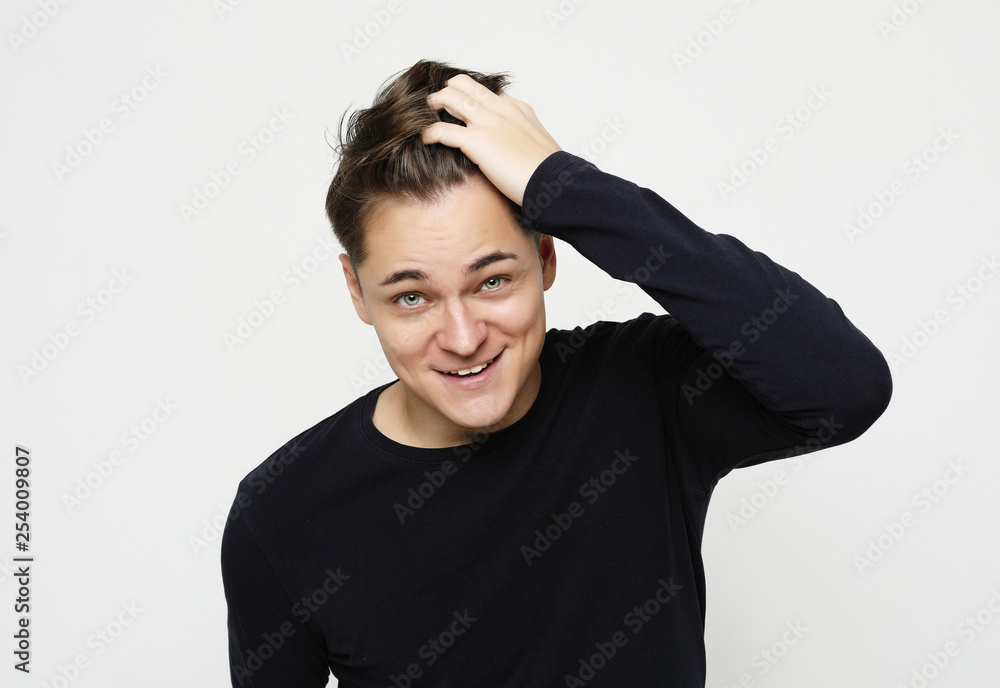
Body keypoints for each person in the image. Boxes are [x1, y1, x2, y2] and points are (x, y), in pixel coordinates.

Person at [221, 59, 892, 687]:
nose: (463, 338)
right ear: (357, 290)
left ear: (546, 257)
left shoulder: (646, 391)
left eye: (491, 281)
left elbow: (846, 388)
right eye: (412, 296)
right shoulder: (281, 515)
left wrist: (564, 187)